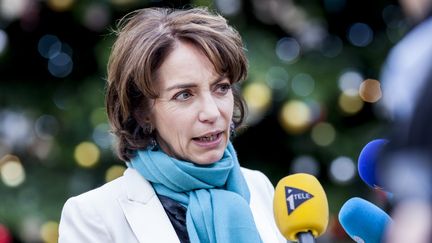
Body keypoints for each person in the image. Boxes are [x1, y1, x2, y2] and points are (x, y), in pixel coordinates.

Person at [58, 7, 285, 243]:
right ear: (142, 111)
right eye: (185, 95)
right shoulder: (93, 217)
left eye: (221, 87)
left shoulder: (260, 188)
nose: (211, 112)